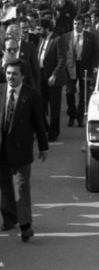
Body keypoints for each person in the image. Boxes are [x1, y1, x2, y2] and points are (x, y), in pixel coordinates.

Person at [0, 59, 48, 242]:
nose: (11, 77)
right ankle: (10, 218)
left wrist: (43, 147)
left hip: (21, 149)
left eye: (15, 74)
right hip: (2, 148)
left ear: (23, 76)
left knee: (22, 187)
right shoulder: (1, 90)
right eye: (8, 73)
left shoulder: (32, 95)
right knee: (5, 187)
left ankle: (25, 225)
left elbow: (39, 122)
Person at [64, 15, 99, 127]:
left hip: (85, 67)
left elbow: (96, 52)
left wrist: (95, 66)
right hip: (71, 67)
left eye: (79, 23)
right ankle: (72, 114)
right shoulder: (67, 37)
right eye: (75, 24)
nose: (77, 26)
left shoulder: (90, 36)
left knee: (84, 94)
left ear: (83, 24)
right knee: (69, 92)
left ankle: (80, 118)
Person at [38, 18, 67, 141]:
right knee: (40, 104)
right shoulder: (42, 39)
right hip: (41, 77)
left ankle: (53, 132)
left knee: (54, 107)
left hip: (52, 79)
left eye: (40, 29)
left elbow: (62, 59)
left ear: (47, 28)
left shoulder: (57, 39)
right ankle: (45, 127)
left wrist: (54, 75)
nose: (38, 31)